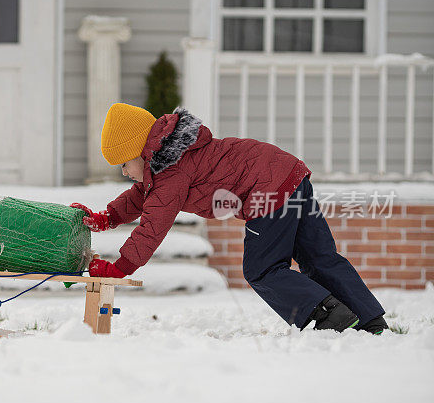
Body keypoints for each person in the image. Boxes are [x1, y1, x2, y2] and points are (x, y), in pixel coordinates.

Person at [71, 103, 388, 334]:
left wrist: (118, 268)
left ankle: (327, 314)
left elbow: (152, 226)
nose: (125, 173)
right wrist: (106, 218)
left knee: (261, 269)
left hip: (268, 189)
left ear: (141, 151)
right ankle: (369, 318)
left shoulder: (171, 170)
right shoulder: (170, 156)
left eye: (124, 164)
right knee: (318, 255)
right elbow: (141, 197)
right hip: (290, 173)